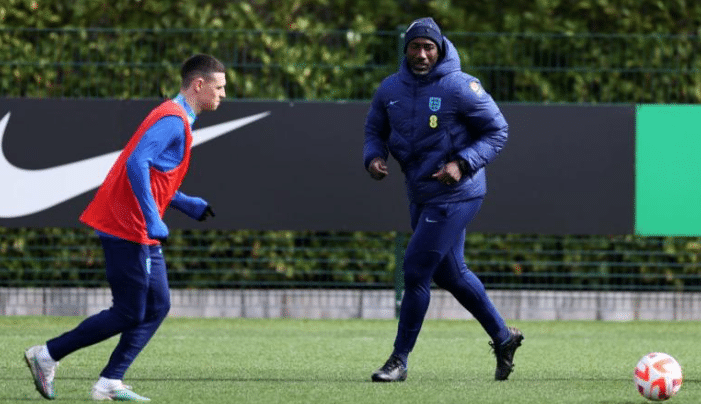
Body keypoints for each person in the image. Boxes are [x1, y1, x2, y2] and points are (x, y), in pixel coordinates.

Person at [24, 54, 225, 401]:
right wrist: (151, 216)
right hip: (126, 225)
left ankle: (109, 382)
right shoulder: (174, 120)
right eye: (219, 87)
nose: (222, 94)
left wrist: (184, 202)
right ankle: (46, 355)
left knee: (158, 305)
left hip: (138, 226)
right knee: (130, 311)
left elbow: (152, 172)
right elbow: (136, 162)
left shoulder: (175, 116)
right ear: (199, 85)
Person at [364, 17, 523, 382]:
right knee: (451, 273)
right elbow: (375, 129)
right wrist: (373, 157)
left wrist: (463, 163)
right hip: (421, 193)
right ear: (406, 49)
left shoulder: (459, 86)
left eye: (428, 47)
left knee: (416, 270)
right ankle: (503, 338)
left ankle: (398, 361)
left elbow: (498, 129)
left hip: (457, 193)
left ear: (440, 49)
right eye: (415, 47)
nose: (421, 54)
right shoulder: (390, 89)